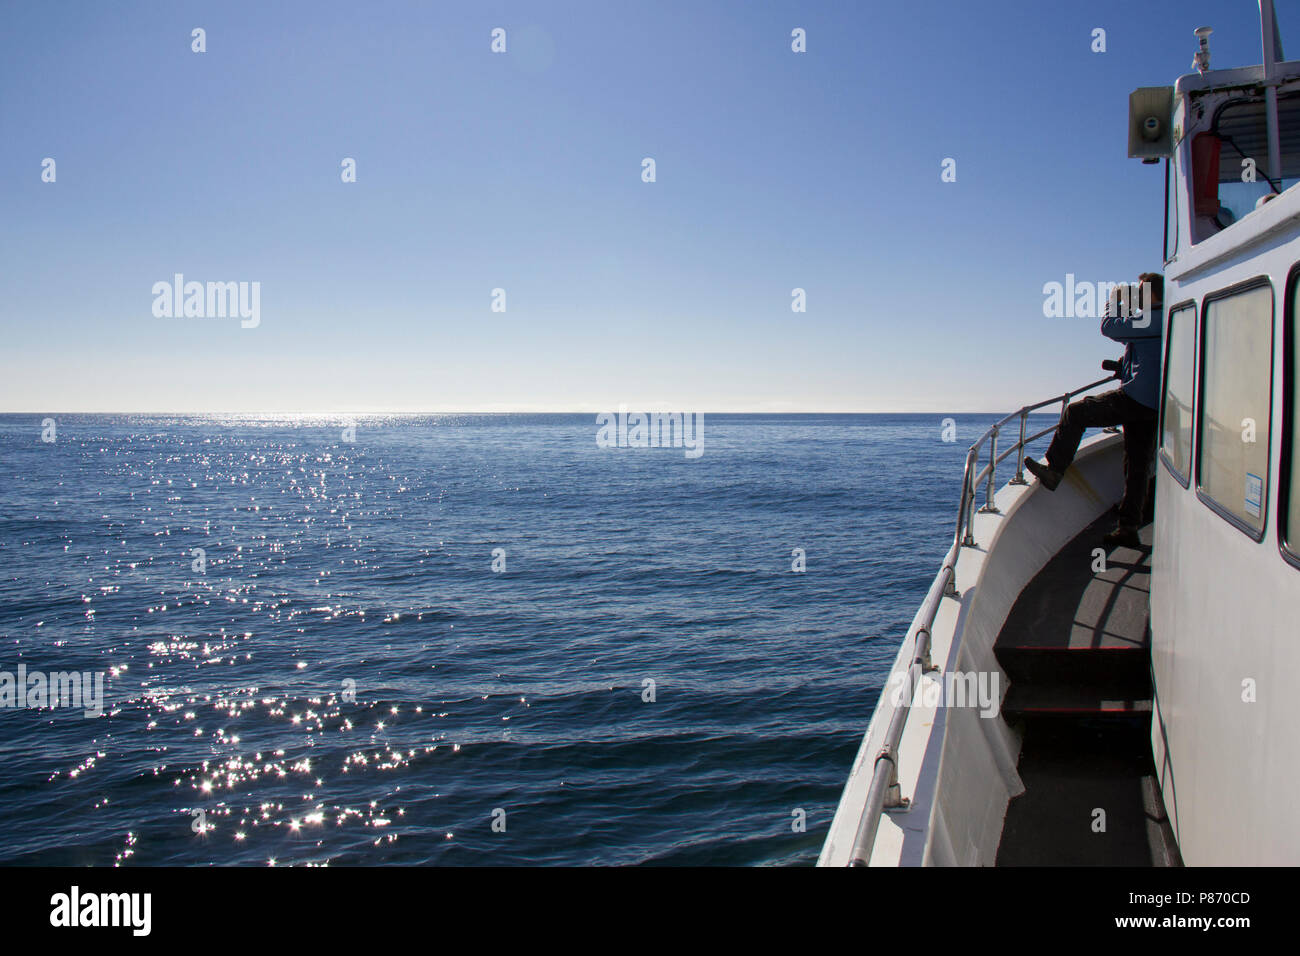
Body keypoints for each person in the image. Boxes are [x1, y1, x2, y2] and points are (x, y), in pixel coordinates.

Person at [1024, 273, 1164, 549]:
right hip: (1152, 404)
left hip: (1136, 400)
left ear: (1150, 294)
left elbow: (1111, 327)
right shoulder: (1162, 318)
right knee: (1136, 466)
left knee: (1077, 412)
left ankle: (1055, 470)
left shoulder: (1153, 318)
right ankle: (1128, 528)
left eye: (1140, 292)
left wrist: (1114, 302)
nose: (1137, 296)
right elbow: (1138, 344)